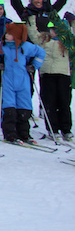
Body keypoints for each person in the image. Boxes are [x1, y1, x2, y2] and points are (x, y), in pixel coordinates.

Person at [0, 21, 45, 143]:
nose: (6, 35)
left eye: (10, 34)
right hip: (8, 80)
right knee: (9, 107)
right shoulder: (3, 46)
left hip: (23, 80)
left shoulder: (26, 47)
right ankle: (10, 133)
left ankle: (24, 133)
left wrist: (34, 65)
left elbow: (41, 53)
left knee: (24, 106)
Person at [36, 11, 74, 141]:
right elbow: (32, 35)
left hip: (63, 74)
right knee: (50, 103)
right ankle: (53, 128)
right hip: (47, 74)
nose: (54, 32)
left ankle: (66, 129)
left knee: (64, 102)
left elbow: (69, 36)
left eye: (57, 30)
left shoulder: (67, 43)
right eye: (52, 29)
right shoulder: (43, 40)